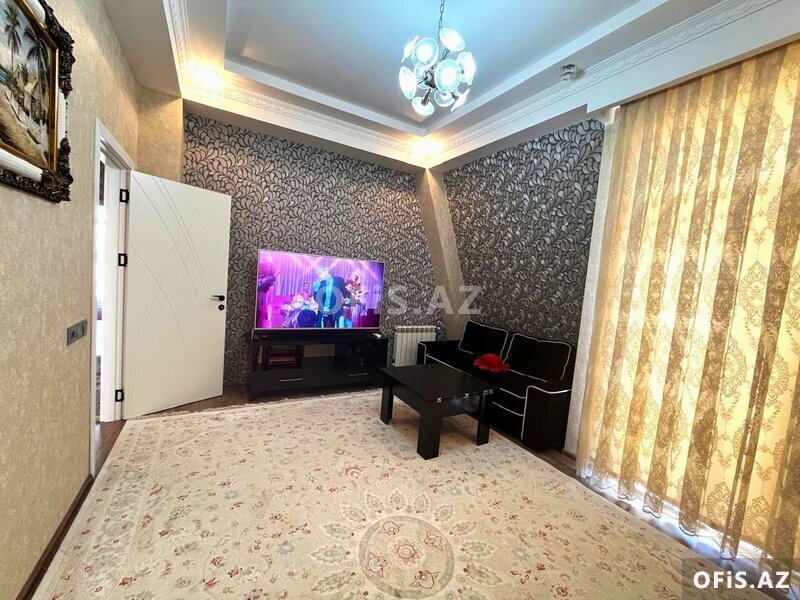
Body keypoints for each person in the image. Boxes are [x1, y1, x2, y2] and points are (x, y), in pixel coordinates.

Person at [257, 256, 278, 327]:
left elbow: (273, 272)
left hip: (267, 283)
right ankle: (265, 320)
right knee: (261, 302)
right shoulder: (263, 262)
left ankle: (268, 321)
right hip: (262, 283)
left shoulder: (268, 262)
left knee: (268, 302)